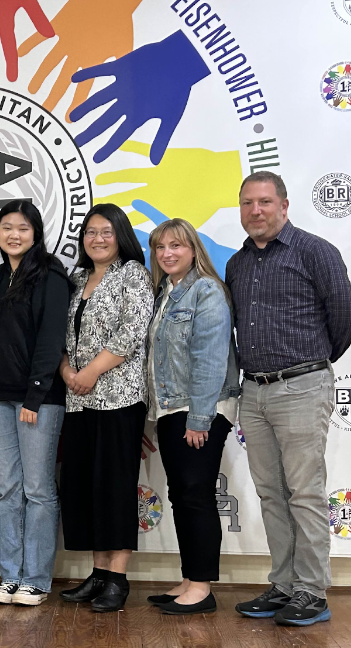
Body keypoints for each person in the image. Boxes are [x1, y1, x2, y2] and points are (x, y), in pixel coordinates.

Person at [227, 171, 351, 627]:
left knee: (305, 494)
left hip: (301, 386)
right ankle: (282, 585)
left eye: (263, 202)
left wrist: (308, 365)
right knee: (271, 494)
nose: (255, 211)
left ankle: (312, 592)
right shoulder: (238, 263)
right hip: (253, 391)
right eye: (247, 203)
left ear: (283, 204)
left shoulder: (315, 251)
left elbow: (343, 319)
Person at [58, 203, 152, 613]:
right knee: (84, 487)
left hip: (119, 396)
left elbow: (133, 329)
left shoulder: (133, 274)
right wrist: (67, 371)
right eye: (90, 231)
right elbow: (59, 336)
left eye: (106, 232)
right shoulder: (76, 277)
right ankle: (97, 575)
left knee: (114, 486)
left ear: (121, 236)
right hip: (77, 399)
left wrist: (92, 371)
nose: (97, 238)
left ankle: (117, 578)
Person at [144, 218, 240, 615]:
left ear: (193, 249)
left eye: (176, 246)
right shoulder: (164, 292)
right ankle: (189, 578)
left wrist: (200, 418)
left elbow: (210, 357)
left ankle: (201, 587)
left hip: (200, 409)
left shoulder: (206, 291)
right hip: (171, 409)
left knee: (196, 495)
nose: (167, 253)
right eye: (160, 247)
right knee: (183, 495)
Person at [0, 201, 69, 607]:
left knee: (38, 489)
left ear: (36, 233)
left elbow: (52, 339)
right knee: (8, 488)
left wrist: (35, 392)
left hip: (38, 400)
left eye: (23, 228)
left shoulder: (50, 275)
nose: (14, 235)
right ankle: (10, 575)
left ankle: (36, 579)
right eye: (7, 227)